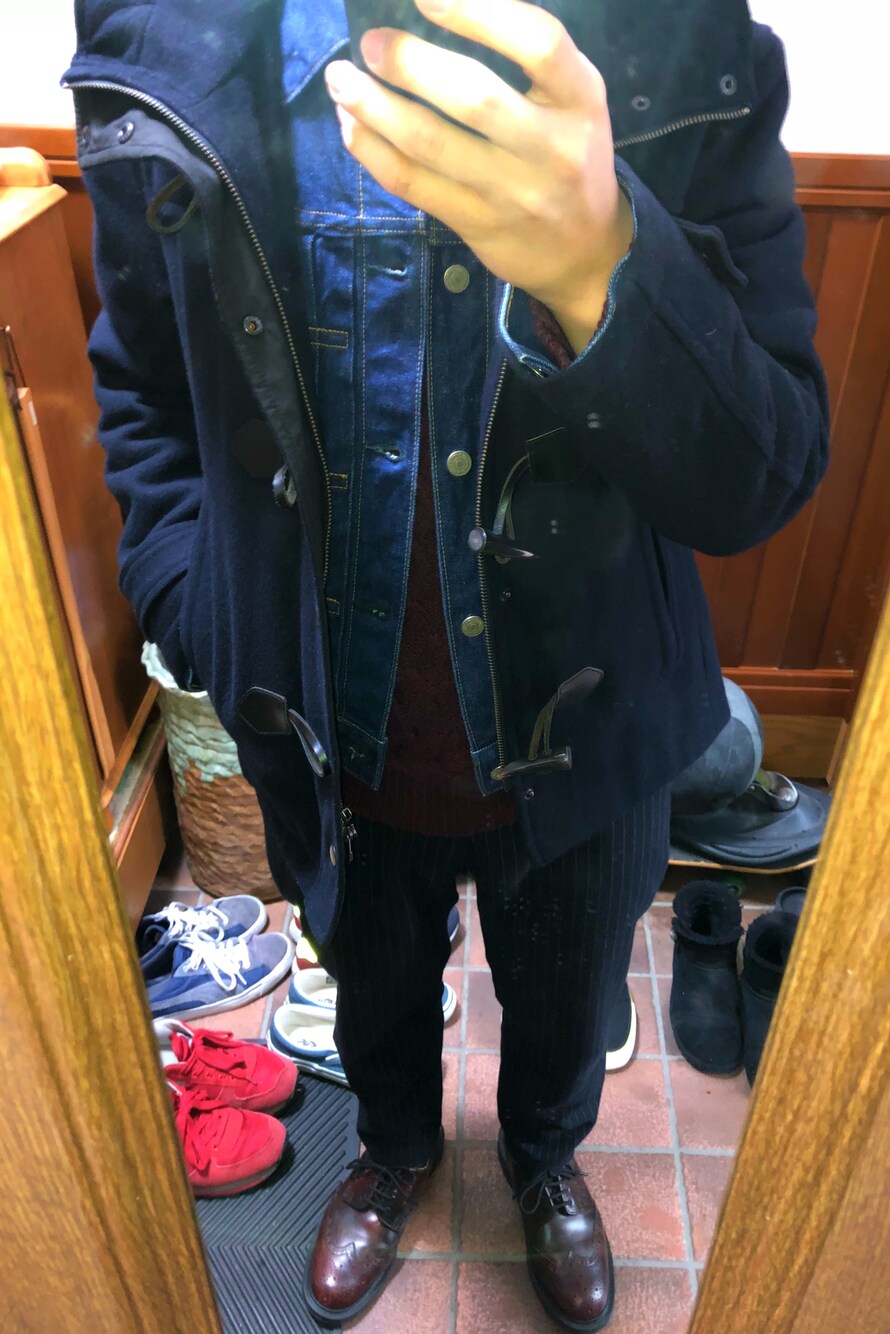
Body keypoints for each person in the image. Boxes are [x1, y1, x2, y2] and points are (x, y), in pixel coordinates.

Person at [66, 0, 829, 1327]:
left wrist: (604, 262)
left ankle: (544, 1162)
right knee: (371, 998)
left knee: (566, 1006)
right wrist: (207, 613)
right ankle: (394, 1152)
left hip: (593, 725)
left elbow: (762, 470)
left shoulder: (680, 39)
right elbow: (145, 389)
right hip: (325, 728)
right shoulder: (161, 35)